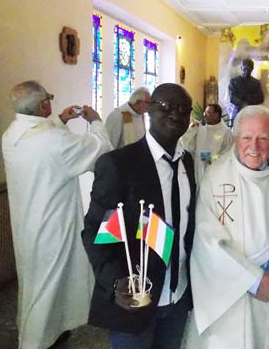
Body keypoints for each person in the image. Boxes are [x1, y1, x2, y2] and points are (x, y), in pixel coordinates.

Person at [82, 83, 196, 349]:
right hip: (136, 296)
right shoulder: (119, 164)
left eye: (183, 109)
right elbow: (95, 231)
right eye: (165, 106)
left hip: (176, 295)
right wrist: (115, 282)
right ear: (148, 111)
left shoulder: (187, 162)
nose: (174, 114)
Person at [186, 105, 269, 349]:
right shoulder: (215, 177)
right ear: (235, 137)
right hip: (230, 292)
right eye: (246, 138)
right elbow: (207, 241)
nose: (254, 147)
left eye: (263, 138)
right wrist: (253, 280)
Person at [1, 80, 112, 349]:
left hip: (27, 222)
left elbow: (47, 145)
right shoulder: (52, 140)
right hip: (52, 224)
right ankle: (34, 342)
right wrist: (96, 122)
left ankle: (52, 330)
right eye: (49, 99)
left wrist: (61, 121)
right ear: (43, 105)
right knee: (47, 287)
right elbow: (100, 149)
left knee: (35, 281)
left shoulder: (12, 134)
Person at [180, 103, 233, 183]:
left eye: (208, 113)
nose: (205, 115)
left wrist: (211, 158)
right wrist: (191, 130)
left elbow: (229, 152)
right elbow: (187, 144)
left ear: (216, 115)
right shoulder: (201, 129)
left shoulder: (225, 132)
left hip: (217, 172)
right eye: (205, 113)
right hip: (199, 170)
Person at [228, 58, 265, 123]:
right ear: (241, 68)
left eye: (248, 69)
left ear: (252, 69)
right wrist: (242, 103)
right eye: (245, 69)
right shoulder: (234, 81)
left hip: (252, 113)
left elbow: (261, 98)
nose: (246, 71)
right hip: (238, 112)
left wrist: (248, 100)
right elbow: (232, 97)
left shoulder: (256, 83)